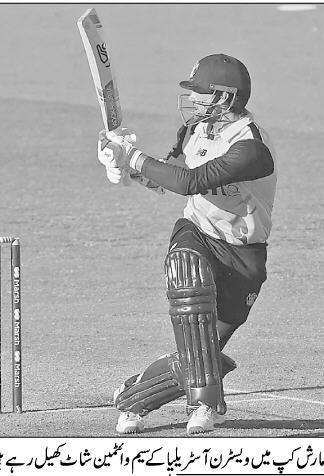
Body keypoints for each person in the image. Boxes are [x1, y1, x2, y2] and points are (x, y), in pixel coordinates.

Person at [97, 53, 277, 435]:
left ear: (225, 97)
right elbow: (169, 175)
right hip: (196, 231)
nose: (193, 99)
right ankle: (205, 404)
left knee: (201, 350)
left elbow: (191, 182)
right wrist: (123, 166)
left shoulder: (250, 148)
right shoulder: (194, 129)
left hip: (243, 254)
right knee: (186, 274)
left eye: (201, 93)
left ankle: (134, 394)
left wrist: (134, 158)